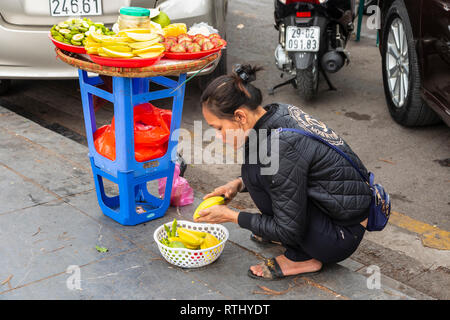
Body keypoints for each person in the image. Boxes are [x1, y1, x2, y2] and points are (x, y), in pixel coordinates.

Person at [194, 64, 371, 280]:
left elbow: (289, 228)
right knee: (254, 173)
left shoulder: (277, 147)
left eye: (218, 128)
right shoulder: (276, 112)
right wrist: (238, 184)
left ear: (240, 116)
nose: (219, 136)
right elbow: (294, 172)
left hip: (340, 236)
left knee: (257, 173)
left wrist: (231, 216)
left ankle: (301, 257)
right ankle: (278, 232)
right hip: (337, 214)